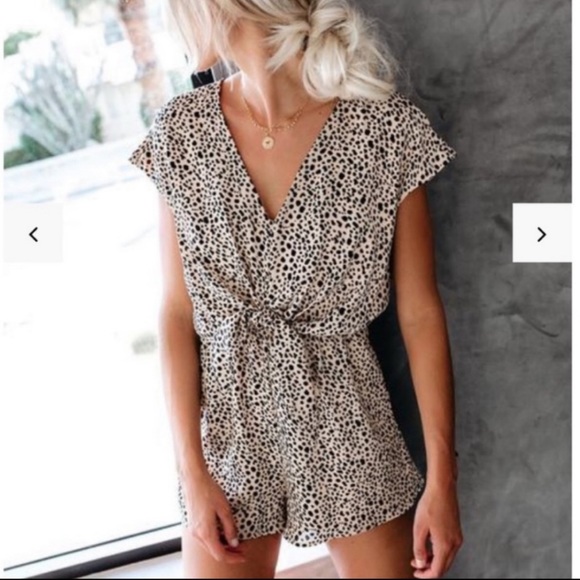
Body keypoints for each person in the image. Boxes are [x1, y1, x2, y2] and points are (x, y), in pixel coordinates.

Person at [128, 0, 463, 577]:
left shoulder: (385, 130)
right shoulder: (181, 133)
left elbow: (420, 314)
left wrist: (442, 482)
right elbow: (177, 314)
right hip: (231, 435)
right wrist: (192, 472)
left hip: (349, 425)